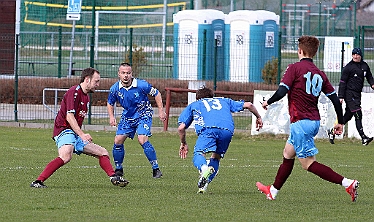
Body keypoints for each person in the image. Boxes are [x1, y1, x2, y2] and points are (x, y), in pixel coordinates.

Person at [256, 36, 359, 202]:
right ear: (314, 53)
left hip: (301, 122)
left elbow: (282, 92)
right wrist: (340, 121)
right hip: (313, 122)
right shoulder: (320, 74)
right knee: (288, 153)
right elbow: (335, 100)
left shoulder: (294, 68)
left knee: (308, 164)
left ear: (300, 51)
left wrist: (268, 101)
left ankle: (347, 183)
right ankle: (273, 191)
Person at [30, 68, 129, 188]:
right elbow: (69, 116)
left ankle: (114, 177)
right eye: (96, 81)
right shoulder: (74, 92)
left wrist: (79, 135)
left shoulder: (86, 97)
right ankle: (38, 182)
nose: (98, 85)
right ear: (87, 80)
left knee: (102, 152)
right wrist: (82, 135)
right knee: (66, 155)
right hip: (63, 130)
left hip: (74, 134)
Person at [178, 86, 263, 193]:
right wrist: (258, 117)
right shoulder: (224, 100)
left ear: (198, 98)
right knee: (216, 157)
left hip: (208, 129)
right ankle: (203, 186)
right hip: (227, 130)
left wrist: (183, 143)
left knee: (199, 153)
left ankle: (204, 169)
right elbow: (249, 105)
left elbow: (181, 128)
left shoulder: (195, 104)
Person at [107, 62, 166, 179]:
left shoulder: (141, 85)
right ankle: (119, 169)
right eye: (123, 73)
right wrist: (111, 116)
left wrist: (161, 110)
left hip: (143, 114)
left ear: (131, 74)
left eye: (128, 73)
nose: (126, 76)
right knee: (118, 140)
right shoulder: (115, 89)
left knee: (142, 138)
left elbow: (157, 93)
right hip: (127, 116)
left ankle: (156, 169)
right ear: (119, 74)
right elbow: (110, 103)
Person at [327, 47, 374, 145]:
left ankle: (332, 132)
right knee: (358, 113)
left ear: (360, 55)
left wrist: (372, 84)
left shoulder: (364, 66)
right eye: (353, 54)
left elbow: (369, 76)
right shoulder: (348, 67)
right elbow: (342, 82)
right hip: (349, 93)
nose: (355, 56)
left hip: (357, 94)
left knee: (348, 115)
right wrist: (340, 96)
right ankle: (363, 137)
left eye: (357, 55)